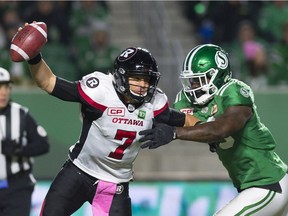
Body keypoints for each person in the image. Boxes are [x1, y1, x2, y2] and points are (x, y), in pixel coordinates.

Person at [17, 22, 199, 215]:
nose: (143, 85)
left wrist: (194, 131)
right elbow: (48, 82)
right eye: (136, 78)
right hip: (78, 172)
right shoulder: (100, 92)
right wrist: (34, 57)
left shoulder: (155, 103)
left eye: (147, 79)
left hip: (115, 184)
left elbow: (187, 121)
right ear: (121, 77)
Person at [140, 44, 288, 215]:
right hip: (253, 185)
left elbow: (221, 129)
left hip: (268, 183)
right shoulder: (188, 101)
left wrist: (174, 133)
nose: (193, 86)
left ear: (216, 75)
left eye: (198, 79)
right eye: (191, 80)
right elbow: (193, 122)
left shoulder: (234, 91)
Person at [0, 67, 50, 216]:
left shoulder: (21, 114)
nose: (3, 92)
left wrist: (20, 150)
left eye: (6, 87)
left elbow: (43, 145)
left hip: (17, 187)